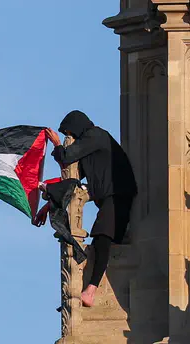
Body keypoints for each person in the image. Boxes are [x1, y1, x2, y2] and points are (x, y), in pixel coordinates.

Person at [33, 111, 137, 307]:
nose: (70, 138)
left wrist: (56, 144)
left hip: (118, 195)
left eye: (70, 132)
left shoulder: (95, 135)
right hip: (110, 196)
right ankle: (91, 288)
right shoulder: (91, 148)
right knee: (104, 238)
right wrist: (48, 205)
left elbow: (66, 156)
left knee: (102, 238)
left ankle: (91, 290)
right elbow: (73, 182)